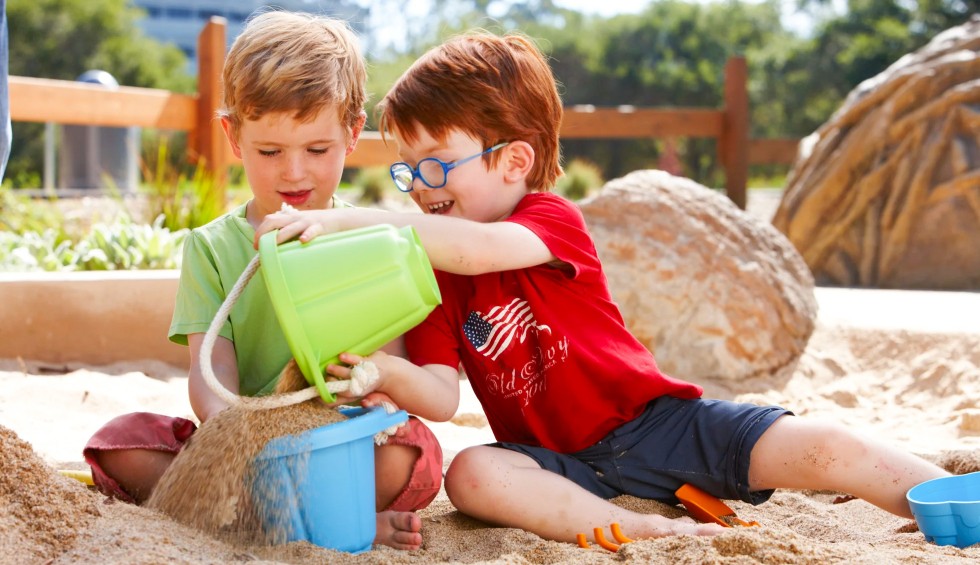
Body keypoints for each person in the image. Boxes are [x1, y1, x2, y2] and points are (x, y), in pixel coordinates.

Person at [254, 31, 951, 545]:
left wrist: (353, 218)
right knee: (473, 474)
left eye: (435, 166)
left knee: (826, 447)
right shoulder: (432, 270)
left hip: (660, 422)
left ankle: (948, 500)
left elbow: (481, 251)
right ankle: (643, 535)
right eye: (408, 173)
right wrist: (383, 371)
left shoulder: (548, 221)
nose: (420, 191)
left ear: (514, 161)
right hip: (561, 463)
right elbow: (440, 391)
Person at [82, 11, 442, 551]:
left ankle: (286, 516)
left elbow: (385, 365)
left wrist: (376, 399)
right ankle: (306, 517)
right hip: (247, 449)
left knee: (411, 453)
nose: (293, 173)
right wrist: (244, 432)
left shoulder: (369, 242)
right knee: (119, 443)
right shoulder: (211, 248)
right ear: (233, 136)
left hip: (336, 439)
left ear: (350, 134)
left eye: (317, 151)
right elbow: (211, 376)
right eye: (270, 152)